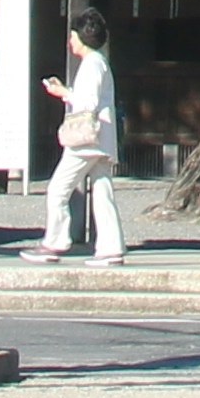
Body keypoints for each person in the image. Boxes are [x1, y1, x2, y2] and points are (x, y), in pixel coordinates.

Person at [37, 28, 132, 263]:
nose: (70, 41)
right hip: (102, 138)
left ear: (82, 37)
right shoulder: (100, 62)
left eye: (72, 36)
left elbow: (87, 102)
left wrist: (62, 93)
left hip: (87, 139)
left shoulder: (91, 64)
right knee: (102, 192)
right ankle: (111, 247)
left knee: (58, 188)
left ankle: (55, 242)